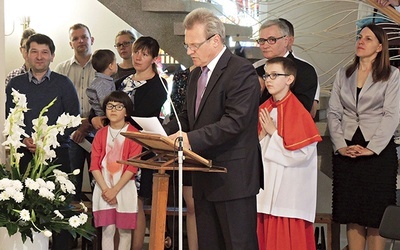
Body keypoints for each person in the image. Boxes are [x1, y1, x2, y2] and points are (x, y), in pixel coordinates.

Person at [164, 8, 262, 249]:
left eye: (194, 45)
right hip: (203, 176)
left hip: (233, 177)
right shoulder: (196, 75)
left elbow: (234, 122)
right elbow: (187, 119)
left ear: (215, 40)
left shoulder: (241, 71)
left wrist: (189, 139)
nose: (189, 51)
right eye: (187, 45)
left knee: (238, 244)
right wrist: (160, 133)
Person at [90, 36, 168, 250]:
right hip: (112, 146)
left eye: (144, 54)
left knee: (135, 202)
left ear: (153, 58)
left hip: (140, 148)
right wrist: (94, 118)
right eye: (136, 52)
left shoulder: (158, 85)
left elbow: (136, 115)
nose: (138, 57)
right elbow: (107, 103)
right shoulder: (123, 81)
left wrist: (111, 118)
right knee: (111, 200)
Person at [327, 23, 400, 250]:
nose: (361, 41)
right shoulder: (343, 73)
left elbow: (392, 114)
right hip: (347, 151)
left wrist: (372, 148)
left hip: (377, 153)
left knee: (377, 213)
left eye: (368, 39)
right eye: (360, 37)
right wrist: (340, 146)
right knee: (353, 213)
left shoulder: (392, 75)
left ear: (380, 47)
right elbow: (333, 112)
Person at [5, 33, 80, 250]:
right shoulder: (15, 84)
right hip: (26, 157)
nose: (39, 57)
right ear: (26, 54)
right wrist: (23, 139)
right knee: (27, 209)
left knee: (61, 209)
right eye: (34, 51)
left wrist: (49, 140)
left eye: (44, 52)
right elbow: (10, 120)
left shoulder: (63, 84)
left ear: (52, 56)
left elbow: (74, 120)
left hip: (58, 157)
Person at [257, 57, 322, 249]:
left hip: (288, 194)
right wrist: (260, 138)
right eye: (266, 75)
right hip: (264, 192)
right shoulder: (263, 109)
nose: (268, 79)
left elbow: (300, 155)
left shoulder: (299, 113)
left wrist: (273, 134)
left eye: (275, 75)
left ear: (290, 79)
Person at [90, 91, 142, 250]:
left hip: (124, 187)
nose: (113, 110)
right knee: (107, 229)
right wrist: (107, 190)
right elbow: (94, 165)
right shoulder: (100, 134)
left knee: (125, 231)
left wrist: (115, 190)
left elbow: (132, 167)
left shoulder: (134, 134)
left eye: (119, 107)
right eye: (110, 106)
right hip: (103, 186)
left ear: (126, 111)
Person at [54, 23, 96, 201]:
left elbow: (109, 100)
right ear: (70, 44)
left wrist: (87, 125)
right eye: (75, 39)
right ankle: (70, 226)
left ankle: (99, 228)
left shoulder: (103, 66)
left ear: (91, 39)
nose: (81, 41)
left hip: (98, 134)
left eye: (84, 37)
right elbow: (56, 103)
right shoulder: (61, 70)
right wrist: (76, 127)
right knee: (70, 185)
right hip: (72, 137)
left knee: (99, 185)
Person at [253, 19, 318, 113]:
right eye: (262, 41)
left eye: (271, 40)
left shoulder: (304, 70)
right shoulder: (257, 71)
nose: (265, 45)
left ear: (286, 41)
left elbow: (302, 111)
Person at [168, 64, 198, 250]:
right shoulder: (184, 77)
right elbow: (181, 114)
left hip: (207, 146)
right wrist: (164, 133)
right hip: (183, 145)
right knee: (191, 206)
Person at [278, 18, 321, 119]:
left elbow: (310, 112)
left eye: (272, 39)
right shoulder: (257, 67)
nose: (266, 45)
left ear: (289, 40)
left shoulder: (306, 70)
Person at [86, 49, 117, 116]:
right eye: (115, 61)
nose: (116, 64)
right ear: (110, 66)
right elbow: (106, 104)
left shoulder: (104, 81)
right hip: (103, 118)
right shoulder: (102, 83)